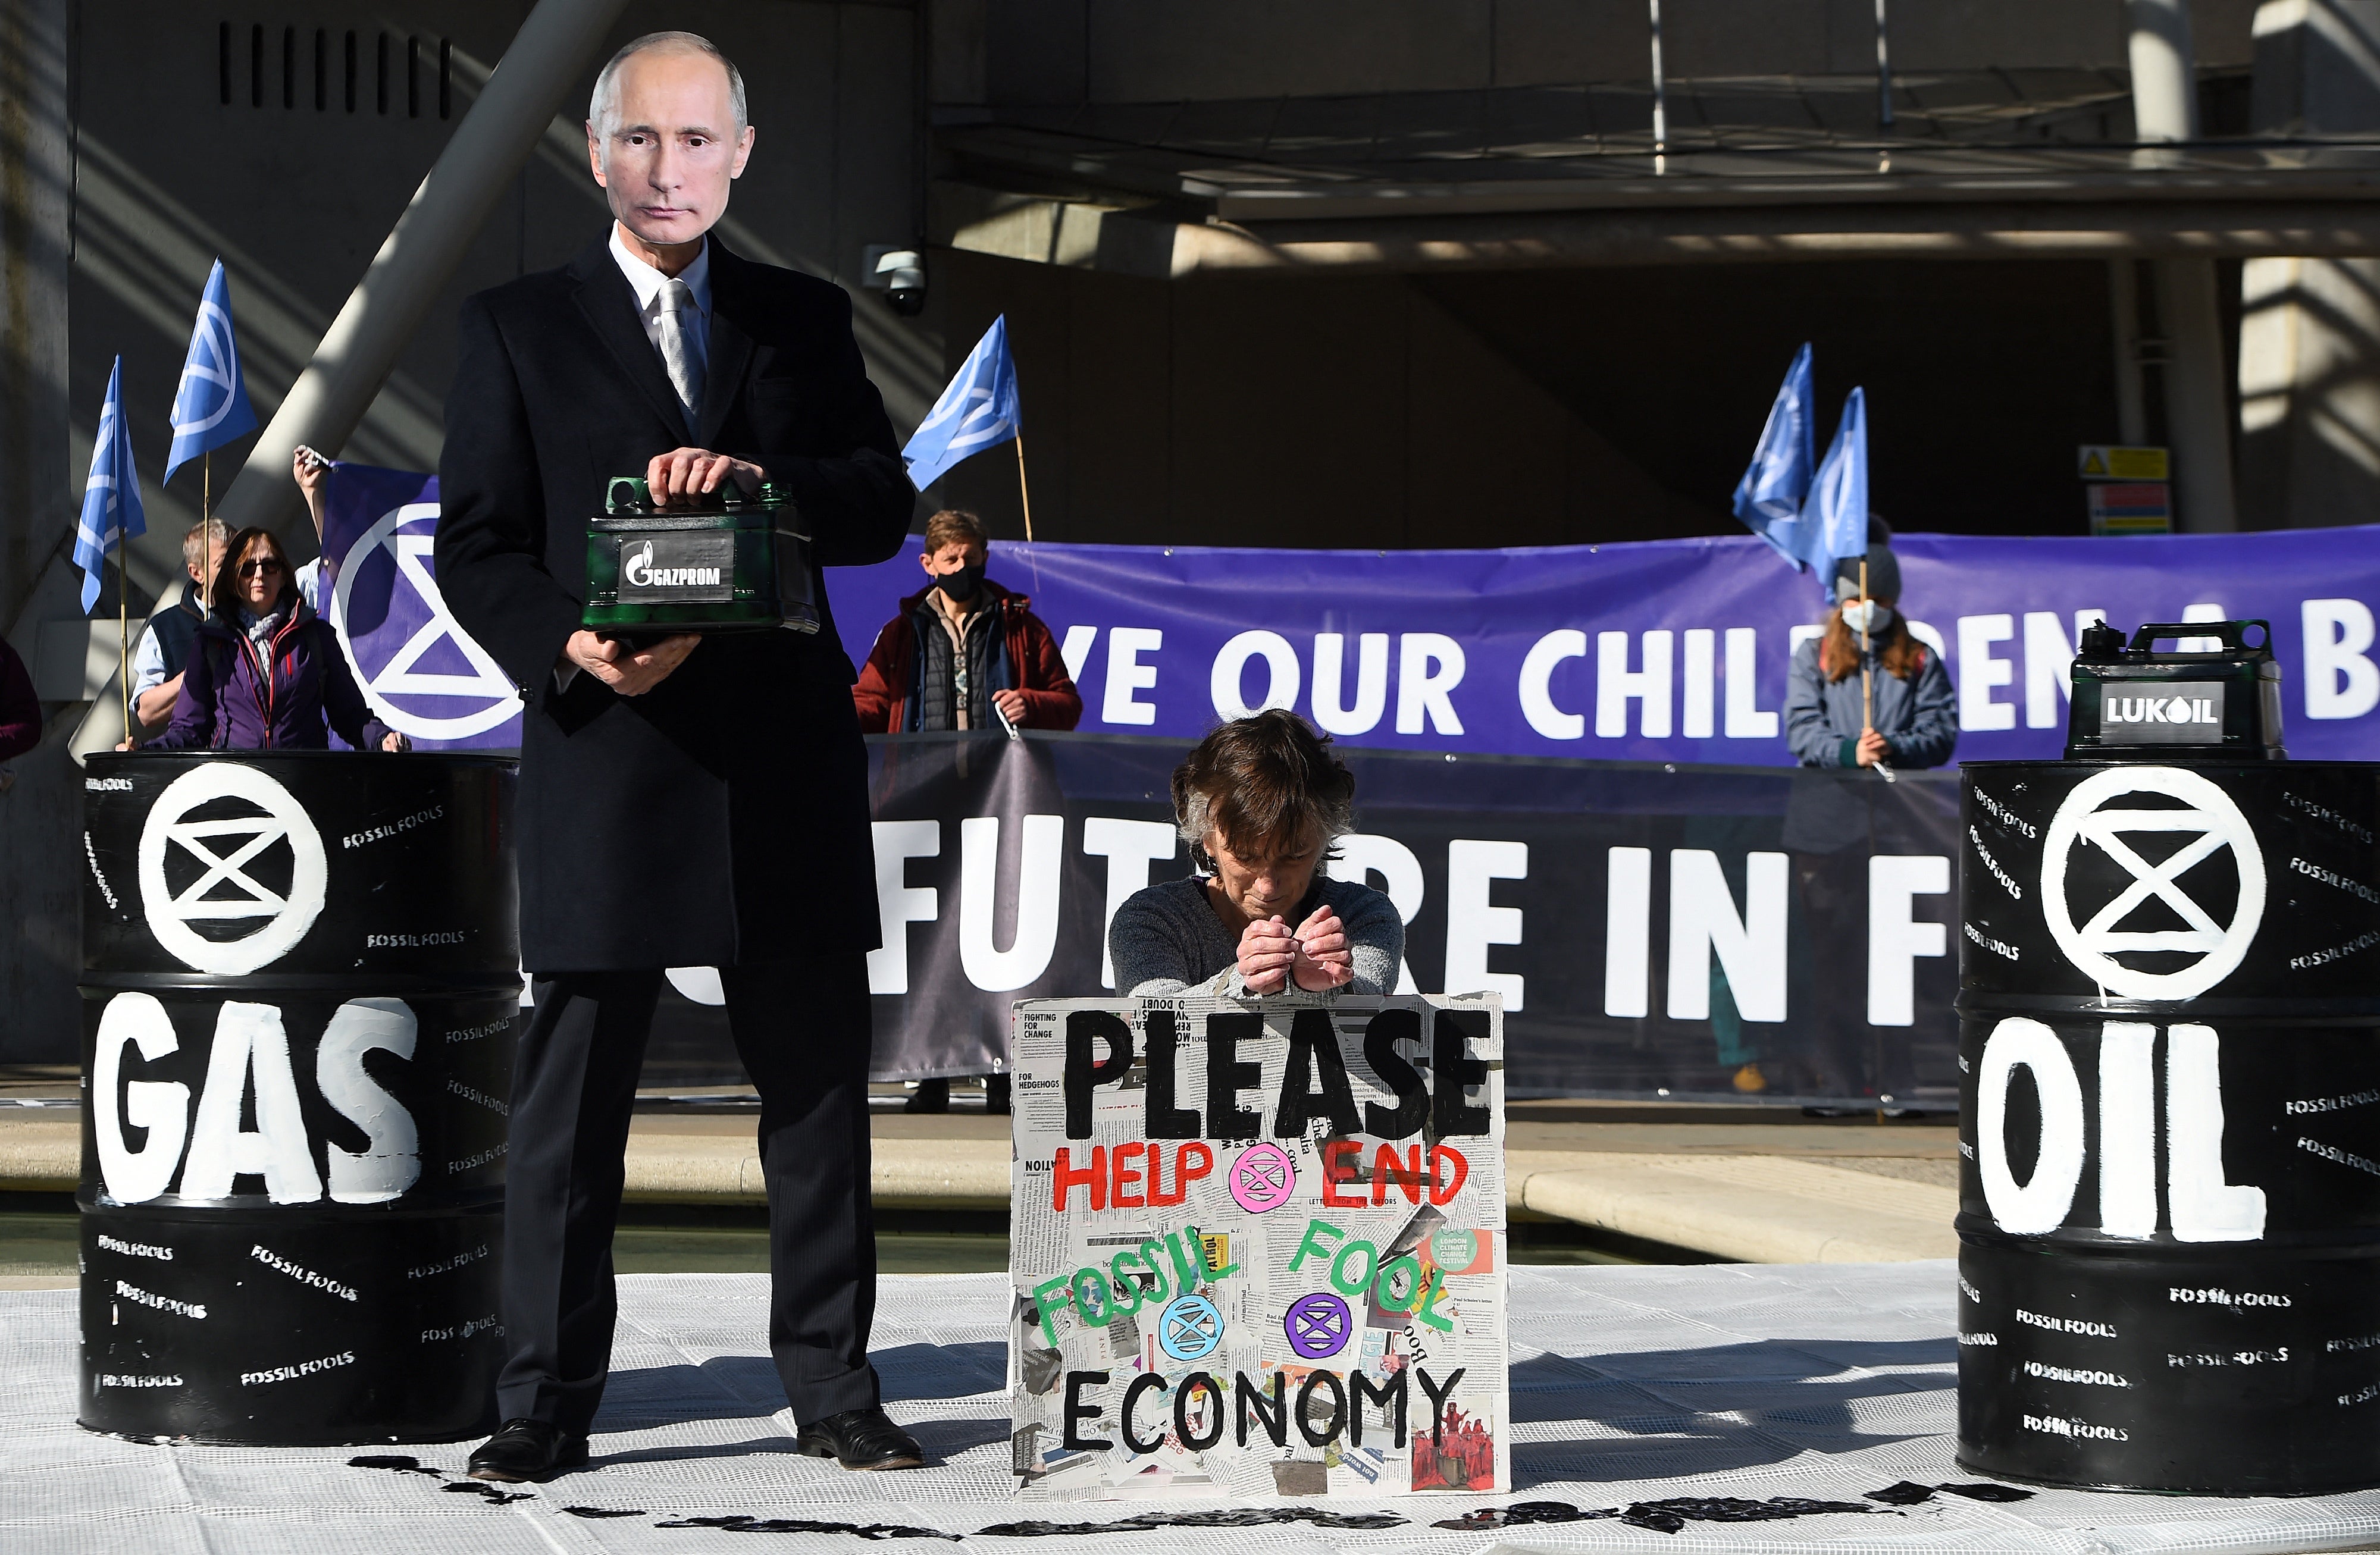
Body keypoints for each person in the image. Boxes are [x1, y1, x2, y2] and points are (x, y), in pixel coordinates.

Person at [432, 31, 920, 1482]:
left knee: (819, 1101)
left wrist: (768, 480)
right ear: (597, 156)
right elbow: (477, 545)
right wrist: (574, 644)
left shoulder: (804, 319)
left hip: (782, 762)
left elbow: (882, 505)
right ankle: (539, 1397)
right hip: (609, 753)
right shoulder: (515, 325)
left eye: (698, 140)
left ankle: (835, 1389)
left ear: (741, 156)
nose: (670, 168)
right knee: (568, 1108)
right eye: (642, 140)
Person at [1109, 710, 1403, 998]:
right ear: (1207, 839)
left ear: (1325, 839)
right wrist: (1242, 980)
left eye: (1294, 856)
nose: (1268, 886)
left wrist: (1325, 984)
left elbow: (1369, 999)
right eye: (1246, 857)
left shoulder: (1364, 915)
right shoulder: (1152, 920)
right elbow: (1155, 1023)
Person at [140, 526, 407, 753]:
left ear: (283, 574)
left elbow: (351, 716)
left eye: (269, 566)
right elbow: (188, 729)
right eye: (247, 568)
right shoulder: (210, 642)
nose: (259, 575)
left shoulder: (316, 636)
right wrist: (141, 753)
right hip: (235, 792)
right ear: (234, 579)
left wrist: (382, 738)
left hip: (303, 788)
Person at [850, 508, 1082, 734]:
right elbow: (871, 704)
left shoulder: (1022, 628)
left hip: (1001, 770)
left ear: (985, 557)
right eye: (951, 559)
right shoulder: (901, 632)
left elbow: (1069, 706)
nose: (962, 567)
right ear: (928, 564)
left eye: (970, 558)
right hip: (921, 770)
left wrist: (1030, 705)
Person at [1783, 534, 1956, 770]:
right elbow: (1800, 728)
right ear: (1842, 600)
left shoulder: (1919, 656)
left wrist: (1893, 747)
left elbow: (1940, 732)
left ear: (1893, 601)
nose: (1869, 608)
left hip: (1899, 798)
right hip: (1826, 797)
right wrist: (1848, 752)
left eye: (1879, 600)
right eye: (1858, 598)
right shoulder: (1814, 653)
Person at [127, 518, 229, 736]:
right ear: (197, 573)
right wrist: (194, 673)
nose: (235, 571)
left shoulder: (262, 615)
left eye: (241, 561)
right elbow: (146, 712)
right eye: (223, 564)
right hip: (192, 759)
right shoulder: (166, 627)